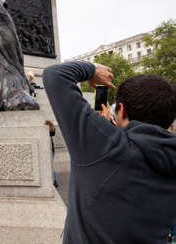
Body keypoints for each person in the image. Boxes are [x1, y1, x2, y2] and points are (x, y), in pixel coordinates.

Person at [43, 61, 176, 244]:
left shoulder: (105, 146)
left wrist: (92, 70)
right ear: (170, 119)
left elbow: (54, 74)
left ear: (120, 110)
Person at [44, 120, 58, 188]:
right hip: (51, 149)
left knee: (50, 166)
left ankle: (54, 181)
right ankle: (54, 180)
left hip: (49, 149)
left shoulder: (48, 131)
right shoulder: (51, 131)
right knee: (51, 166)